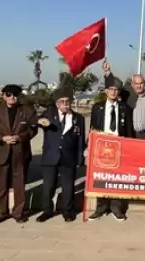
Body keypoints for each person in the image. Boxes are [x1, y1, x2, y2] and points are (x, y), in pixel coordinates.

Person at [0, 84, 38, 224]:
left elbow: (33, 129)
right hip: (2, 151)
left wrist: (20, 137)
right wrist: (2, 138)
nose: (12, 97)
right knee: (2, 185)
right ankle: (2, 212)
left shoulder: (27, 110)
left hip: (20, 152)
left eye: (15, 95)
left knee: (19, 184)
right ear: (4, 96)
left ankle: (18, 213)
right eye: (9, 94)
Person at [87, 75, 135, 221]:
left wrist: (129, 148)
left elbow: (129, 131)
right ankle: (100, 208)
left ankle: (116, 208)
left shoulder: (125, 109)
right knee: (101, 178)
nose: (113, 92)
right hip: (101, 149)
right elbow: (93, 128)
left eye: (116, 90)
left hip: (119, 148)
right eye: (111, 89)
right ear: (106, 91)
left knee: (117, 179)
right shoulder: (98, 108)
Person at [35, 87, 85, 222]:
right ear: (57, 103)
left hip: (68, 158)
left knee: (68, 187)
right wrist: (40, 122)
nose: (65, 104)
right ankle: (47, 211)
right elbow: (37, 121)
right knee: (48, 187)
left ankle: (67, 211)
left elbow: (80, 141)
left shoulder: (78, 118)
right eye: (62, 102)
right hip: (50, 157)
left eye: (67, 102)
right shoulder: (50, 114)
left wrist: (80, 158)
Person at [103, 60, 145, 140]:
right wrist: (108, 72)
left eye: (141, 83)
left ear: (144, 83)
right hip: (130, 135)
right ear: (132, 84)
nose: (139, 86)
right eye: (136, 83)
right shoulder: (127, 94)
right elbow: (114, 85)